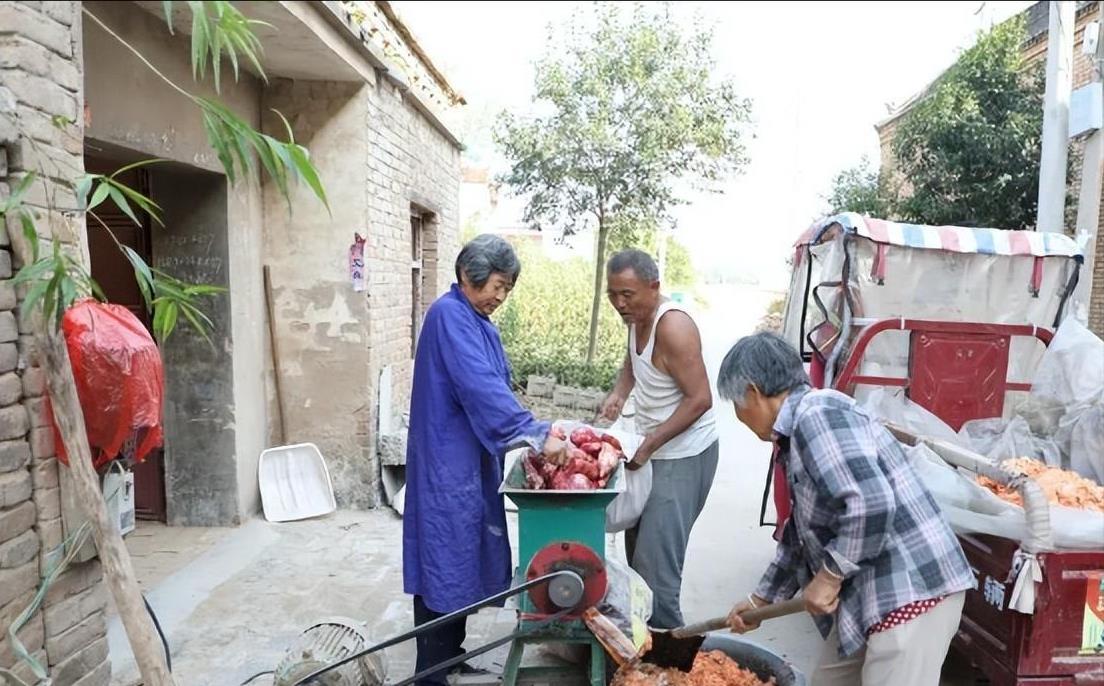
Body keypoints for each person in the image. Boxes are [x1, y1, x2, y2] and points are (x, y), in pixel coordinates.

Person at [717, 332, 976, 686]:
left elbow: (872, 504)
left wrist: (827, 578)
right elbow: (800, 534)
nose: (740, 417)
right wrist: (760, 599)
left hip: (909, 588)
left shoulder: (817, 414)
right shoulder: (795, 435)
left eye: (736, 405)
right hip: (864, 597)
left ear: (752, 392)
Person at [403, 235, 569, 685]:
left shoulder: (476, 320)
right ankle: (431, 674)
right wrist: (532, 432)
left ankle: (451, 657)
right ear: (466, 276)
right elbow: (480, 387)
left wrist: (535, 425)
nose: (499, 297)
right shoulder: (449, 316)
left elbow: (498, 385)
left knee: (464, 556)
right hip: (445, 459)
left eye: (507, 290)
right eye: (496, 285)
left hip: (470, 456)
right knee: (444, 558)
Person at [599, 249, 719, 630]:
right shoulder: (636, 318)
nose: (620, 303)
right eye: (613, 294)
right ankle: (643, 644)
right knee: (637, 555)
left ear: (654, 287)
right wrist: (619, 394)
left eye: (628, 295)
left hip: (684, 454)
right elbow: (631, 364)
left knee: (656, 567)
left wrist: (649, 444)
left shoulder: (674, 327)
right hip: (652, 448)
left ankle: (669, 659)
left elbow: (700, 399)